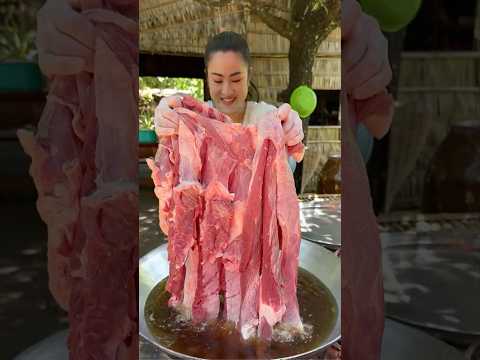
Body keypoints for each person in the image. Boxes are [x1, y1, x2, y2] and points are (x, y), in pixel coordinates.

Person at [154, 31, 305, 164]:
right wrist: (166, 114)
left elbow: (289, 162)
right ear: (207, 77)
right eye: (218, 80)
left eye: (236, 80)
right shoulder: (194, 120)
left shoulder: (265, 117)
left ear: (249, 75)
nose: (226, 91)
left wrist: (290, 128)